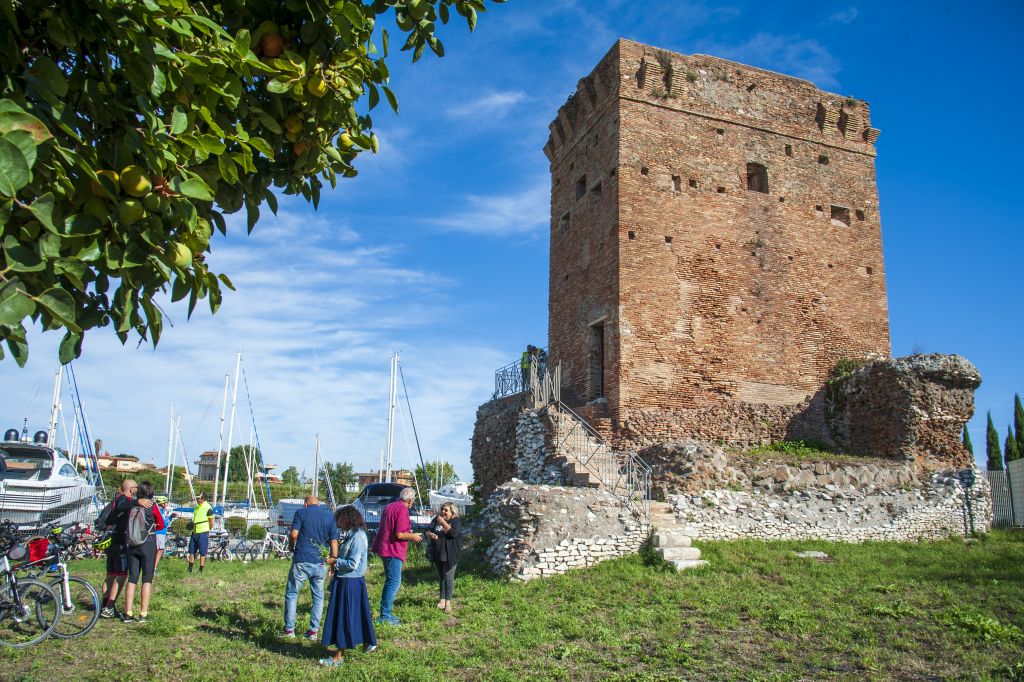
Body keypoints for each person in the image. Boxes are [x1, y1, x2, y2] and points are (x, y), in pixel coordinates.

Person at [319, 506, 377, 667]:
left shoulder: (358, 537)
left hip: (350, 582)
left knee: (343, 617)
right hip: (348, 581)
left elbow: (352, 564)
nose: (337, 523)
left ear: (347, 518)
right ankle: (367, 642)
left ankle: (338, 657)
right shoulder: (352, 535)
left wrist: (334, 561)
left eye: (339, 519)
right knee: (357, 615)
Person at [283, 496, 338, 639]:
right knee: (318, 597)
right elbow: (333, 541)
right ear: (319, 504)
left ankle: (289, 630)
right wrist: (333, 561)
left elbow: (294, 534)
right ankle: (313, 631)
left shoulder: (301, 513)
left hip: (301, 560)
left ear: (306, 504)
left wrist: (291, 546)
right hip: (320, 562)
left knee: (292, 594)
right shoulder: (329, 516)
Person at [99, 479, 154, 619]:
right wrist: (137, 502)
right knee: (121, 575)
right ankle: (109, 607)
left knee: (111, 574)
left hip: (111, 541)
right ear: (131, 490)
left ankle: (105, 605)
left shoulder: (115, 499)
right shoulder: (123, 500)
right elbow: (122, 505)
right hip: (119, 543)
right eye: (136, 488)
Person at [370, 487, 422, 625]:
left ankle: (385, 613)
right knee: (394, 582)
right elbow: (399, 534)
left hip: (384, 547)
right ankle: (385, 615)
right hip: (393, 549)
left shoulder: (390, 506)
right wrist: (414, 536)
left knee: (390, 580)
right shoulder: (403, 510)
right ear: (411, 501)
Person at [122, 481, 164, 623]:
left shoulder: (133, 504)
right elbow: (161, 525)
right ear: (151, 492)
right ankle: (143, 613)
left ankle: (128, 612)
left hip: (132, 543)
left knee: (132, 578)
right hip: (148, 543)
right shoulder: (152, 506)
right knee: (147, 578)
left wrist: (136, 501)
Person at [425, 502, 463, 613]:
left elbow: (453, 533)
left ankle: (448, 603)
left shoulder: (456, 521)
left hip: (450, 554)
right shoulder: (436, 519)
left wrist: (443, 523)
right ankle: (442, 600)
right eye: (442, 509)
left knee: (448, 577)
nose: (443, 512)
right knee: (441, 577)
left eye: (446, 510)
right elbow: (427, 530)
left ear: (452, 511)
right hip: (438, 553)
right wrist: (430, 535)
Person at [187, 492, 214, 575]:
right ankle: (190, 569)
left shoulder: (208, 507)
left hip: (203, 532)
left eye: (199, 498)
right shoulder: (196, 507)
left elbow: (211, 521)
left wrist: (208, 530)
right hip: (195, 531)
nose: (197, 499)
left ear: (203, 499)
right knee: (191, 551)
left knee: (202, 552)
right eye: (197, 498)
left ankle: (201, 569)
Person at [152, 495, 176, 574]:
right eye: (166, 503)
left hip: (157, 533)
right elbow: (164, 524)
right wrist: (171, 517)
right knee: (159, 550)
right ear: (163, 503)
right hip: (160, 533)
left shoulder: (159, 510)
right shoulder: (160, 511)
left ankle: (153, 567)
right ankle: (154, 568)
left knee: (156, 550)